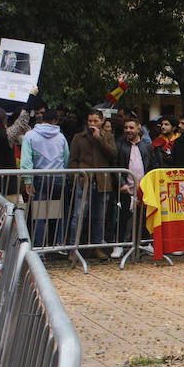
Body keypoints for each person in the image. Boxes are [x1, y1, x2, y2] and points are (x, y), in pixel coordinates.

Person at [67, 108, 118, 259]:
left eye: (95, 121)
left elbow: (112, 154)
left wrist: (99, 139)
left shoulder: (107, 136)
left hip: (102, 181)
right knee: (78, 215)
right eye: (90, 121)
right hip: (85, 180)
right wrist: (77, 176)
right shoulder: (78, 137)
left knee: (99, 216)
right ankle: (72, 249)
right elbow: (73, 159)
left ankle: (97, 247)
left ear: (102, 121)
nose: (92, 124)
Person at [20, 108, 70, 247]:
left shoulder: (30, 136)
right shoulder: (61, 137)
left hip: (39, 177)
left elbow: (26, 161)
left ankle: (39, 247)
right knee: (59, 212)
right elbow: (66, 158)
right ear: (55, 120)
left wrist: (28, 180)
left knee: (40, 214)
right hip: (58, 177)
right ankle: (59, 244)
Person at [114, 117, 159, 256]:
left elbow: (152, 165)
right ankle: (119, 245)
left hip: (143, 189)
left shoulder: (147, 146)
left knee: (144, 217)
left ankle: (145, 243)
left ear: (138, 129)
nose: (128, 130)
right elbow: (115, 166)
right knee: (123, 218)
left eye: (131, 127)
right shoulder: (119, 145)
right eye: (126, 127)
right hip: (126, 188)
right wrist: (122, 184)